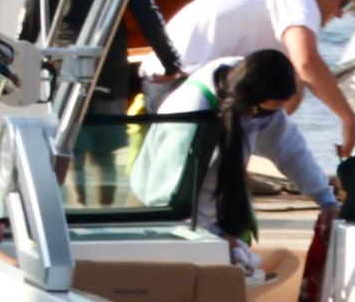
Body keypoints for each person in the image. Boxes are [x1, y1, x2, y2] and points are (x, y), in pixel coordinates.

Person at [18, 0, 184, 206]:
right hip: (107, 57)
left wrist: (17, 58)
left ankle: (65, 214)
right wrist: (172, 63)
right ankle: (102, 214)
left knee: (67, 146)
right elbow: (146, 12)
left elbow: (32, 17)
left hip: (63, 61)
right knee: (105, 154)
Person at [140, 0, 355, 157]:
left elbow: (293, 91)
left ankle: (241, 169)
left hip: (163, 86)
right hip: (181, 92)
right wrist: (348, 118)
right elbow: (306, 61)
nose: (340, 14)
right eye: (344, 3)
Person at [132, 50, 338, 264]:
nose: (268, 119)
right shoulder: (189, 116)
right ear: (246, 101)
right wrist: (215, 236)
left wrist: (325, 199)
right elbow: (167, 200)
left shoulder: (250, 86)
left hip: (218, 217)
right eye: (264, 112)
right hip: (172, 225)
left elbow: (290, 149)